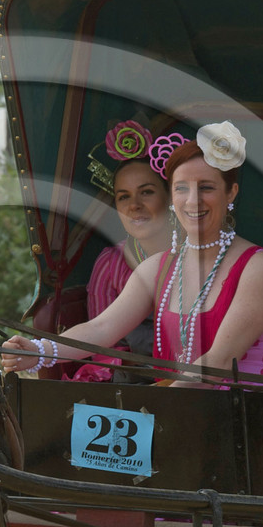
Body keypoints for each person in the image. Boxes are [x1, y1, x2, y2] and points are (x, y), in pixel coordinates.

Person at [2, 121, 263, 381]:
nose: (192, 200)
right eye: (181, 188)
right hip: (178, 413)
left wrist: (158, 408)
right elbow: (100, 329)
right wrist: (39, 350)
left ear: (231, 193)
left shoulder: (258, 266)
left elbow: (218, 362)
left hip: (243, 418)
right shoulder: (157, 268)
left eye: (207, 187)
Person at [68, 121, 181, 379]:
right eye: (123, 197)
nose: (134, 206)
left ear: (170, 197)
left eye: (147, 192)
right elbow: (102, 343)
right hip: (133, 380)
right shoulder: (111, 263)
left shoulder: (198, 255)